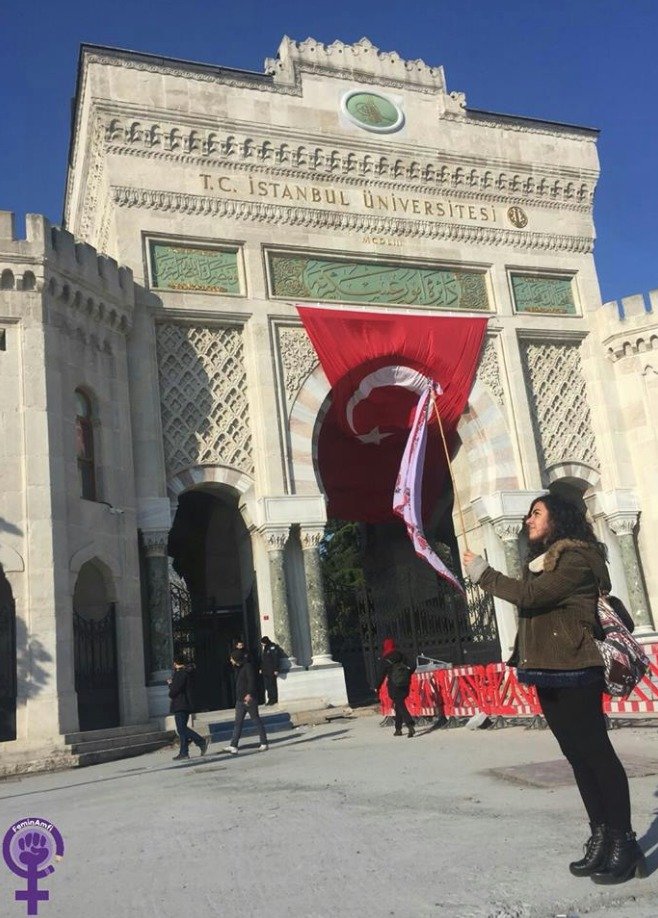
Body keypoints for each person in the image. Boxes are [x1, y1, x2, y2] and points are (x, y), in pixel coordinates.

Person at [462, 493, 646, 885]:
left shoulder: (577, 558)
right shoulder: (542, 563)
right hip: (547, 668)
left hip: (577, 666)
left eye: (537, 513)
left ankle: (624, 842)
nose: (528, 520)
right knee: (577, 757)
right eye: (528, 513)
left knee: (596, 753)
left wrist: (482, 572)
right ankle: (600, 836)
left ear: (558, 518)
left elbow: (532, 598)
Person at [223, 649, 269, 754]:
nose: (230, 660)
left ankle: (264, 742)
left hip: (249, 699)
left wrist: (249, 694)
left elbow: (252, 681)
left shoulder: (248, 667)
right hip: (240, 700)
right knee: (238, 723)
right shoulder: (238, 668)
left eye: (232, 658)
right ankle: (233, 745)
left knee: (256, 720)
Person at [168, 658, 208, 761]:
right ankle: (184, 752)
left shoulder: (180, 674)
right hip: (185, 703)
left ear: (175, 663)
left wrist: (170, 685)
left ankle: (200, 741)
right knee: (182, 729)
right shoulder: (187, 672)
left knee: (181, 728)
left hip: (180, 704)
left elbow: (175, 690)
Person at [376, 637, 416, 738]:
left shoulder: (385, 658)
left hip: (394, 685)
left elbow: (381, 675)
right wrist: (408, 673)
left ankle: (410, 724)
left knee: (400, 704)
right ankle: (398, 729)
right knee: (399, 704)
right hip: (405, 684)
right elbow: (413, 665)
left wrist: (377, 686)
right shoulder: (401, 655)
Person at [259, 636, 283, 705]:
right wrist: (261, 668)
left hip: (271, 670)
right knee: (267, 686)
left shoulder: (272, 647)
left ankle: (273, 699)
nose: (262, 644)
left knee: (272, 685)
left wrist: (276, 669)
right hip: (265, 670)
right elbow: (264, 660)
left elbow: (275, 659)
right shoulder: (265, 648)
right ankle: (270, 699)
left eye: (262, 643)